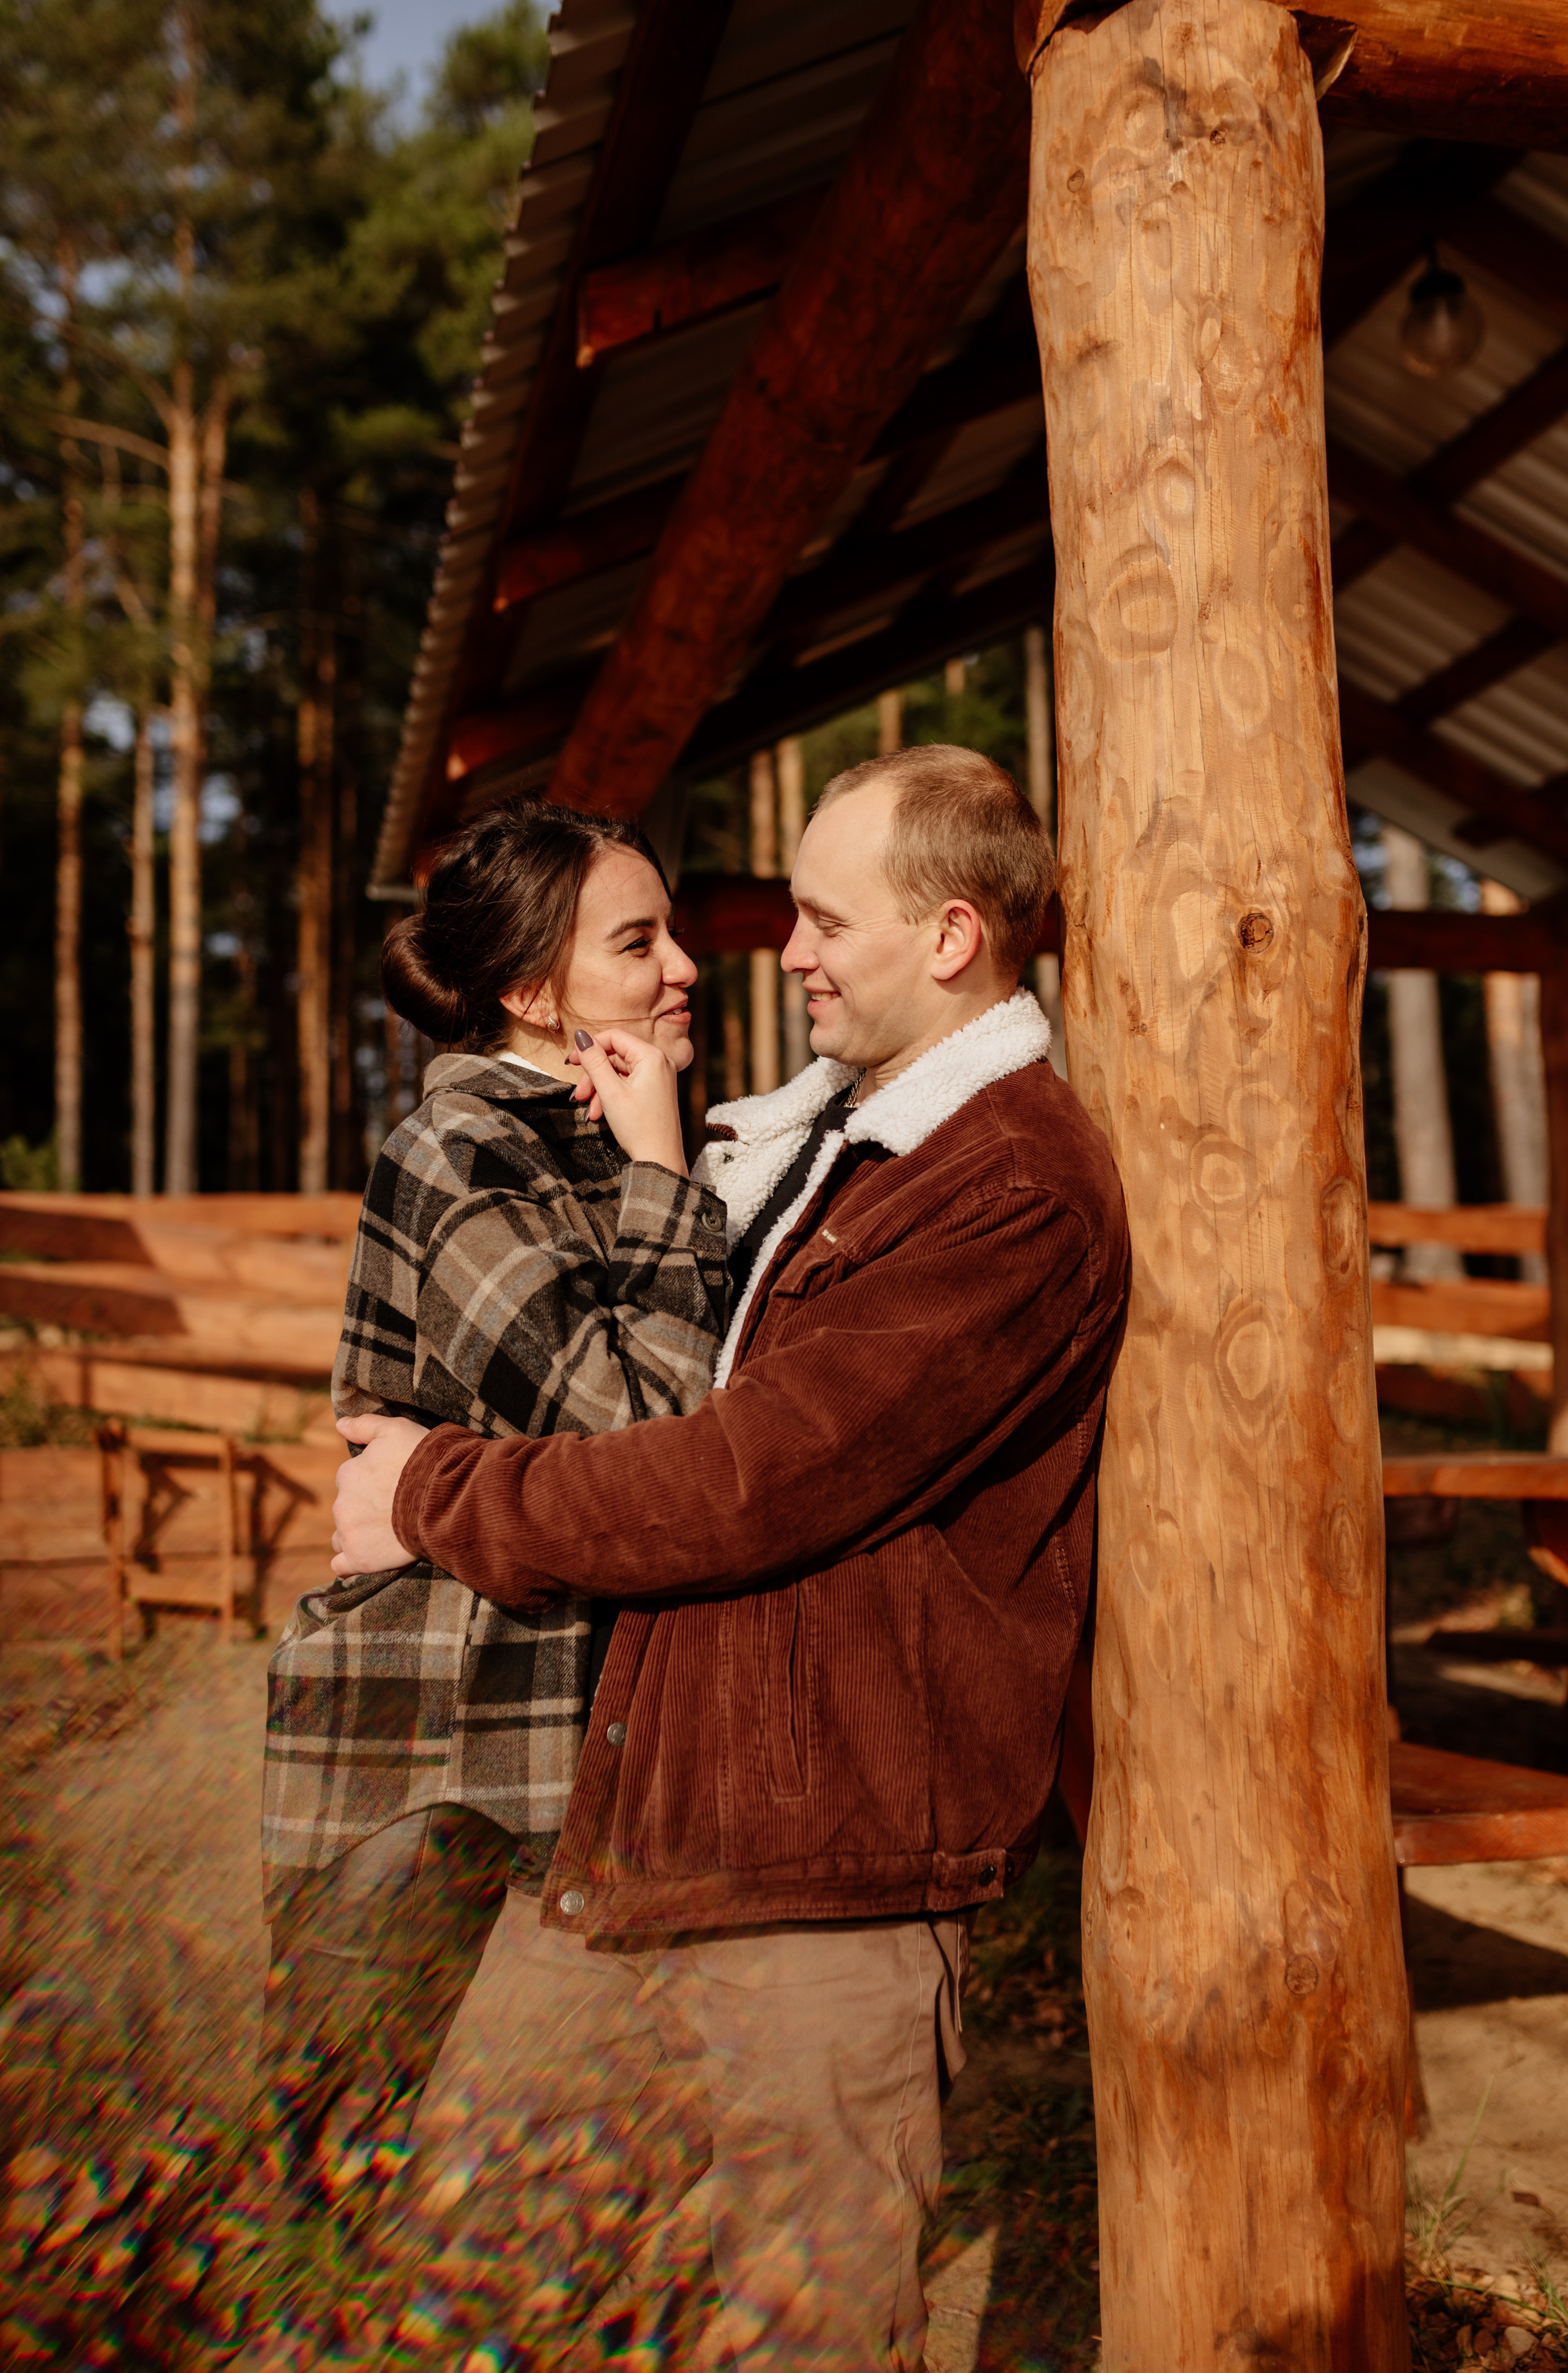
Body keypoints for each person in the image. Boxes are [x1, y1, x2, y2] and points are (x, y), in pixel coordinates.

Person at [331, 744, 1131, 2373]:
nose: (790, 953)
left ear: (957, 935)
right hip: (659, 1822)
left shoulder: (1013, 1192)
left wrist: (432, 1494)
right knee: (470, 2275)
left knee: (796, 2334)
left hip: (826, 1867)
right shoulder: (835, 1142)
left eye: (828, 920)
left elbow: (740, 1482)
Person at [177, 798, 731, 2353]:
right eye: (638, 943)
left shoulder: (587, 1141)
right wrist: (656, 1163)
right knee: (342, 2139)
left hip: (563, 1712)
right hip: (426, 1726)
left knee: (562, 2161)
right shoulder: (462, 1144)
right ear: (532, 994)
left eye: (670, 931)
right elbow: (647, 1433)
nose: (684, 967)